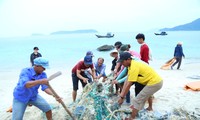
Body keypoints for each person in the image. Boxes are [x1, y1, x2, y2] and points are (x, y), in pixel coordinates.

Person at [117, 52, 163, 119]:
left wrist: (122, 97)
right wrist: (122, 96)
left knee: (137, 100)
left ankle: (132, 118)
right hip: (152, 81)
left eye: (122, 61)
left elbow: (129, 84)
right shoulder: (131, 65)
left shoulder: (134, 66)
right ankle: (147, 108)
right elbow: (126, 81)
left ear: (128, 59)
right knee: (144, 96)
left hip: (155, 83)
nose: (121, 63)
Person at [135, 33, 153, 111]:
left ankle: (146, 105)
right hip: (143, 66)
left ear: (141, 39)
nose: (137, 41)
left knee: (143, 87)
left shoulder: (145, 47)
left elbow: (145, 59)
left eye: (138, 39)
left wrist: (141, 68)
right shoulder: (142, 46)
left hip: (144, 67)